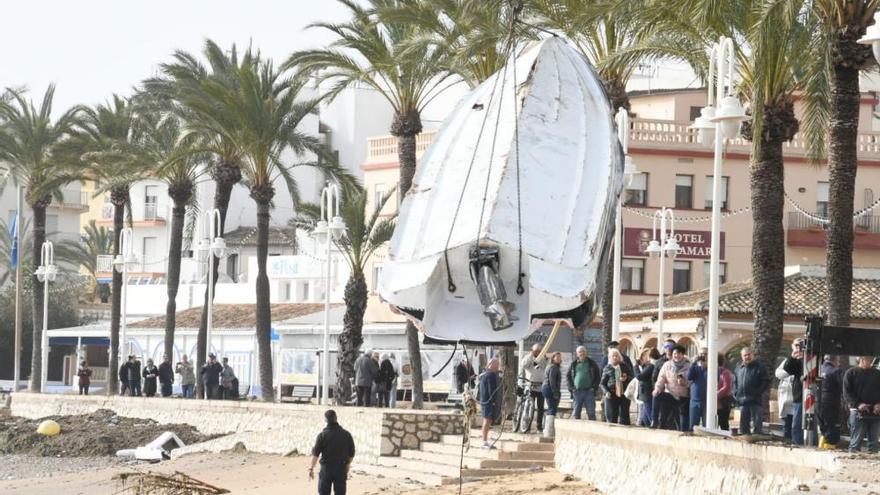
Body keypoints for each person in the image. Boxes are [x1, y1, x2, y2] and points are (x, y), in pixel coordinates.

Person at [309, 409, 355, 495]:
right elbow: (352, 453)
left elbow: (316, 454)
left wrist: (311, 468)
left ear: (325, 420)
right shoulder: (346, 434)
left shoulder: (322, 435)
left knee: (323, 492)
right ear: (336, 418)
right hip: (341, 467)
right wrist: (347, 465)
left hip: (326, 468)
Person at [843, 355, 880, 453]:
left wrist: (878, 404)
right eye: (865, 358)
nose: (867, 361)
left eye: (869, 359)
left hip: (875, 412)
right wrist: (859, 404)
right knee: (855, 442)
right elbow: (847, 393)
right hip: (858, 412)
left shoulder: (877, 374)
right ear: (860, 359)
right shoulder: (851, 373)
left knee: (874, 444)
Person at [653, 345, 690, 431]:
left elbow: (692, 382)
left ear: (683, 354)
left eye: (679, 353)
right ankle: (654, 421)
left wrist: (685, 383)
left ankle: (682, 433)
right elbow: (661, 378)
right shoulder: (667, 365)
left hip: (683, 397)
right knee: (657, 396)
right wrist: (657, 388)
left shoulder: (688, 366)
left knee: (681, 423)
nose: (677, 355)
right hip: (670, 394)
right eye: (675, 353)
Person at [734, 346, 771, 435]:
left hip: (755, 400)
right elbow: (735, 382)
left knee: (757, 423)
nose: (747, 357)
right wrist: (736, 394)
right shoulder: (739, 367)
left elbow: (765, 381)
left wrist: (757, 392)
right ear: (742, 356)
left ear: (753, 355)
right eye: (745, 355)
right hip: (742, 400)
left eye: (749, 354)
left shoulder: (760, 366)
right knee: (743, 425)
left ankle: (757, 438)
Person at [781, 338, 806, 445]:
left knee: (809, 425)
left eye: (800, 345)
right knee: (796, 424)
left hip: (811, 397)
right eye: (796, 345)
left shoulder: (810, 358)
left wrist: (804, 357)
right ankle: (797, 444)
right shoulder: (795, 360)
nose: (798, 348)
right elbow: (787, 369)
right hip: (798, 396)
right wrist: (793, 357)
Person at [566, 345, 601, 421]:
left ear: (586, 353)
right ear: (577, 354)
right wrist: (571, 389)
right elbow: (568, 377)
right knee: (576, 413)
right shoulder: (573, 364)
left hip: (589, 391)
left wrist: (594, 388)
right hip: (577, 392)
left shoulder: (592, 363)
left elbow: (598, 376)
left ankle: (592, 430)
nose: (581, 353)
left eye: (583, 351)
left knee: (591, 413)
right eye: (580, 352)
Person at [520, 344, 548, 431]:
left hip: (540, 386)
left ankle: (539, 426)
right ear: (532, 350)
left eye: (539, 351)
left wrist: (543, 357)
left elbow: (545, 368)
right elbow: (523, 365)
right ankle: (526, 424)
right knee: (528, 406)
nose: (537, 352)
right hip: (530, 385)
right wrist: (531, 356)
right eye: (536, 351)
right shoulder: (528, 357)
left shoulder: (544, 358)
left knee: (540, 407)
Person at [602, 348, 634, 425]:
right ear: (610, 358)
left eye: (616, 356)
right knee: (612, 417)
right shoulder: (607, 368)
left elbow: (632, 378)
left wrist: (626, 378)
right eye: (613, 356)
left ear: (619, 357)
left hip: (624, 394)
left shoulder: (625, 366)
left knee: (625, 417)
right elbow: (602, 383)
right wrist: (606, 392)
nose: (615, 357)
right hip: (612, 394)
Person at [818, 355, 844, 448]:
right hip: (831, 403)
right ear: (835, 360)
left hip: (819, 403)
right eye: (839, 362)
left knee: (824, 430)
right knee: (832, 431)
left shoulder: (818, 369)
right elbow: (843, 387)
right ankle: (828, 451)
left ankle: (821, 450)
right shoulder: (836, 371)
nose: (839, 364)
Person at [651, 339, 677, 428]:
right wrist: (658, 388)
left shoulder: (680, 360)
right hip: (664, 392)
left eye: (670, 346)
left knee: (673, 420)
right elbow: (654, 378)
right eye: (666, 346)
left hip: (676, 393)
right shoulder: (659, 362)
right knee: (663, 417)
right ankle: (654, 422)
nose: (668, 349)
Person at [479, 358, 501, 449]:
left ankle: (485, 440)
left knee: (488, 420)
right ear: (493, 365)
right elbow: (491, 390)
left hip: (484, 400)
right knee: (487, 420)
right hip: (488, 401)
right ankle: (484, 441)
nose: (498, 368)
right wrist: (493, 401)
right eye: (497, 365)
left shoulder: (485, 374)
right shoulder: (490, 375)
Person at [636, 348, 661, 427]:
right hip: (645, 393)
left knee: (649, 416)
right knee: (645, 417)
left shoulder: (651, 366)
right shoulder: (650, 365)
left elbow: (640, 376)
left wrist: (636, 366)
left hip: (647, 393)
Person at [542, 352, 563, 435]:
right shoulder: (553, 367)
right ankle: (549, 432)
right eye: (557, 357)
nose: (558, 359)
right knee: (552, 408)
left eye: (559, 357)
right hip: (549, 388)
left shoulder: (552, 366)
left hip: (547, 387)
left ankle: (547, 429)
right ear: (553, 358)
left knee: (551, 408)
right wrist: (555, 392)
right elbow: (552, 381)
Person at [686, 353, 708, 431]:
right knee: (692, 426)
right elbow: (689, 377)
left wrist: (706, 365)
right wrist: (693, 363)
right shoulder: (695, 368)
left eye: (704, 355)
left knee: (707, 427)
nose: (702, 357)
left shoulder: (712, 369)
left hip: (707, 402)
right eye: (700, 355)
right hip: (695, 400)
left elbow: (717, 379)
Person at [775, 360, 795, 442]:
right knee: (786, 426)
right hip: (785, 402)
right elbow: (778, 373)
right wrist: (789, 371)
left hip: (796, 402)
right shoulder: (787, 361)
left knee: (795, 426)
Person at [717, 354, 735, 431]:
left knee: (723, 424)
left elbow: (726, 387)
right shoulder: (710, 371)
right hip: (714, 404)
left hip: (722, 403)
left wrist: (715, 395)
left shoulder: (725, 372)